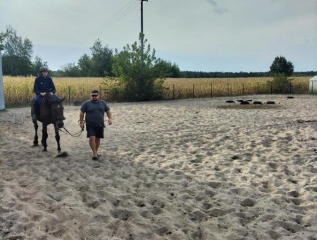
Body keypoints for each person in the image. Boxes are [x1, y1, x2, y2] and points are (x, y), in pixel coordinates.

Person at [79, 90, 112, 160]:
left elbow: (108, 111)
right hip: (90, 124)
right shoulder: (86, 103)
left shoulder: (103, 103)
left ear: (98, 96)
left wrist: (110, 118)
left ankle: (96, 152)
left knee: (97, 139)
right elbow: (82, 113)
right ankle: (94, 153)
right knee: (92, 138)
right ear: (90, 96)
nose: (94, 97)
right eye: (92, 96)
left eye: (95, 95)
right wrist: (81, 122)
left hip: (100, 124)